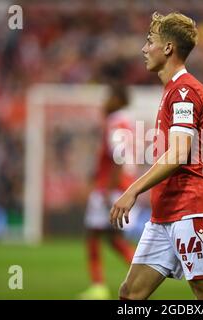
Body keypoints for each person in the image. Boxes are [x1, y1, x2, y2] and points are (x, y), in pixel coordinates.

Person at [110, 12, 203, 300]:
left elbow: (177, 154)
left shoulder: (184, 91)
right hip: (165, 214)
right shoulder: (173, 90)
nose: (144, 48)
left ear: (168, 48)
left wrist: (132, 190)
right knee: (130, 294)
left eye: (150, 41)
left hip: (191, 209)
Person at [79, 83, 139, 300]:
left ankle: (98, 287)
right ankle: (142, 272)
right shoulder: (128, 122)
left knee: (93, 235)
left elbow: (119, 156)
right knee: (114, 239)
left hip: (111, 187)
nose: (104, 102)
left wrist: (109, 189)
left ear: (117, 99)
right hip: (123, 185)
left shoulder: (114, 122)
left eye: (108, 97)